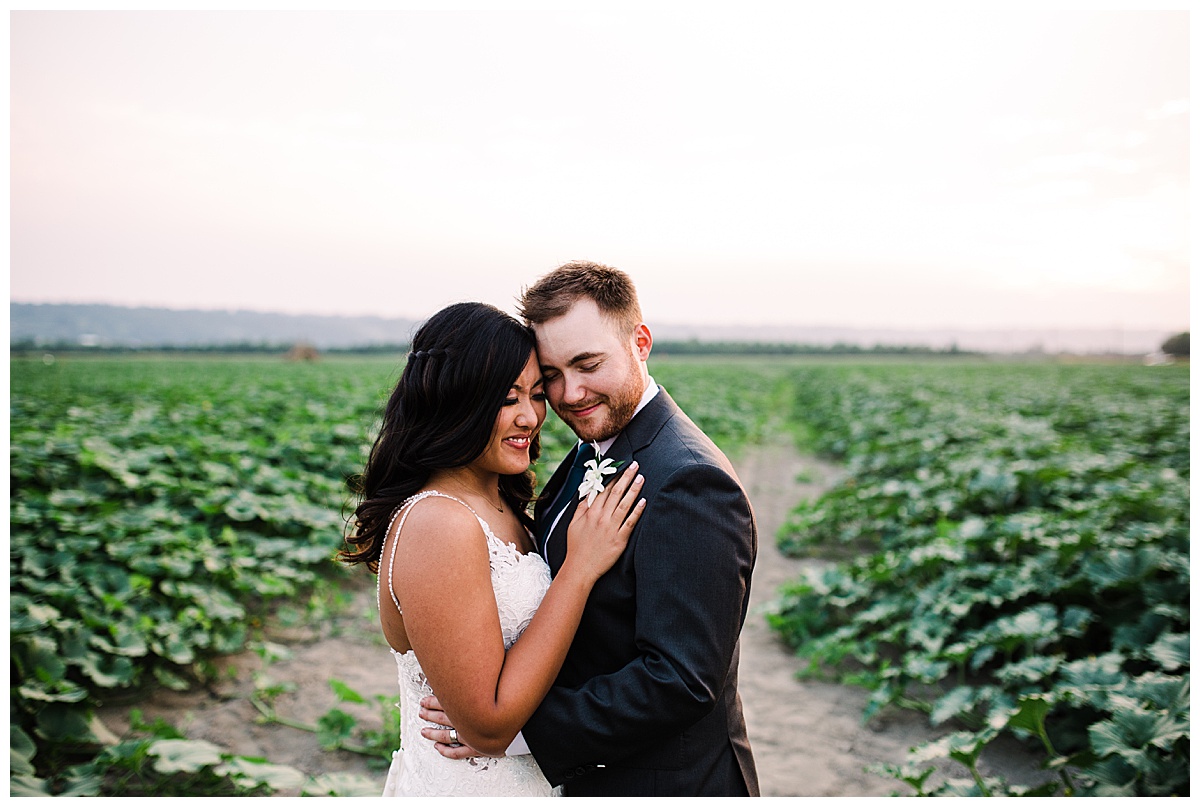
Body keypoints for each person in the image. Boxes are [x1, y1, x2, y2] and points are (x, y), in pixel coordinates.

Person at [421, 262, 760, 796]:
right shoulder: (592, 449)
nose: (570, 393)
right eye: (551, 375)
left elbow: (679, 680)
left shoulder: (690, 481)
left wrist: (510, 730)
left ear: (640, 343)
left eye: (587, 364)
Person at [339, 301, 646, 797]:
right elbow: (488, 727)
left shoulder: (502, 502)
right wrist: (580, 569)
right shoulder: (437, 523)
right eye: (507, 399)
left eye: (536, 393)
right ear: (454, 402)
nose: (531, 417)